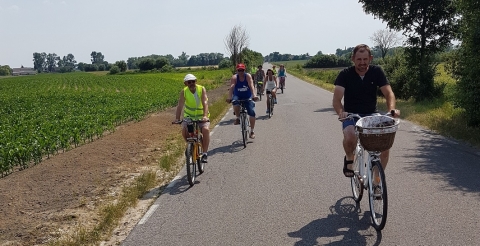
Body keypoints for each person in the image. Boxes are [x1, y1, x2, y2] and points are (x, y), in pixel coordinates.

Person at [332, 44, 400, 178]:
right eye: (359, 59)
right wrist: (341, 112)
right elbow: (336, 100)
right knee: (350, 136)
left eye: (365, 59)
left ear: (370, 58)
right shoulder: (345, 74)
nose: (362, 62)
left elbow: (389, 93)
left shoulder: (377, 72)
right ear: (353, 59)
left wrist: (391, 109)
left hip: (371, 114)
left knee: (384, 148)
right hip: (351, 115)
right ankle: (349, 158)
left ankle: (376, 181)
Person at [173, 73, 210, 163]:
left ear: (196, 81)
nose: (191, 83)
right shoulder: (184, 91)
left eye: (193, 81)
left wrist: (205, 116)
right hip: (189, 116)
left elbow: (205, 102)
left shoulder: (201, 89)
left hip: (201, 116)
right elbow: (180, 105)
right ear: (185, 83)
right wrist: (177, 118)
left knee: (205, 130)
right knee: (184, 131)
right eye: (189, 82)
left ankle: (204, 153)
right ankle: (190, 147)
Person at [226, 63, 259, 139]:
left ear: (244, 70)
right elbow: (232, 87)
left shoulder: (247, 76)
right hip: (238, 95)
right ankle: (238, 118)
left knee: (252, 113)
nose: (241, 72)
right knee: (235, 103)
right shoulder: (234, 77)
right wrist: (229, 97)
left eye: (242, 70)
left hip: (247, 96)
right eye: (239, 70)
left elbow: (251, 85)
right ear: (237, 70)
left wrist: (254, 95)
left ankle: (252, 131)